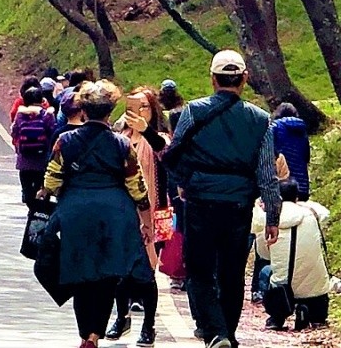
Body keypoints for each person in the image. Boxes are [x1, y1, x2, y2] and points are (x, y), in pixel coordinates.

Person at [163, 50, 281, 348]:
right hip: (239, 206)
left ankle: (216, 333)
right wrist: (273, 216)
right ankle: (226, 333)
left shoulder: (194, 111)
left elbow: (175, 152)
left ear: (213, 79)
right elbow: (267, 171)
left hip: (201, 201)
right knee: (232, 273)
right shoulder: (261, 119)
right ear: (244, 80)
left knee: (200, 270)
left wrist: (180, 185)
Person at [41, 80, 154, 348]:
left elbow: (52, 180)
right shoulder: (121, 144)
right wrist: (146, 224)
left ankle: (85, 334)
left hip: (75, 214)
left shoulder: (65, 141)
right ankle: (94, 334)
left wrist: (44, 194)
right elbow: (137, 187)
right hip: (115, 217)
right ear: (109, 112)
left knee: (81, 274)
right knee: (107, 276)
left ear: (82, 111)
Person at [107, 86, 170, 346]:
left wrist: (146, 130)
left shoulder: (159, 137)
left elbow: (165, 153)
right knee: (120, 273)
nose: (139, 110)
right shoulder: (119, 136)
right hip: (121, 213)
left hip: (153, 213)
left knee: (145, 273)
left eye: (144, 106)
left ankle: (149, 325)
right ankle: (122, 317)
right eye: (135, 105)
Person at [253, 178, 330, 331]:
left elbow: (263, 254)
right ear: (297, 197)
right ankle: (315, 316)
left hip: (283, 289)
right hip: (314, 287)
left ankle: (277, 317)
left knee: (265, 271)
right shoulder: (311, 214)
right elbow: (326, 213)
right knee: (316, 282)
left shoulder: (267, 219)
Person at [11, 87, 55, 207]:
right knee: (41, 191)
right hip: (42, 160)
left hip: (24, 160)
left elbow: (15, 133)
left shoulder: (20, 116)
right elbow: (52, 133)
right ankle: (38, 213)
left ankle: (28, 199)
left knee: (27, 189)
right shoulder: (47, 115)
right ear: (41, 100)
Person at [271, 103, 311, 200]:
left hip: (283, 185)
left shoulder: (275, 127)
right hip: (302, 185)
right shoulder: (302, 129)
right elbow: (307, 156)